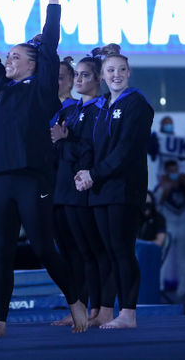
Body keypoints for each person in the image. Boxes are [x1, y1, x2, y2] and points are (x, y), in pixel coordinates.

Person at [0, 0, 88, 337]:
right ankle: (0, 320)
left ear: (33, 65)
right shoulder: (3, 88)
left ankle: (75, 300)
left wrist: (52, 2)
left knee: (43, 248)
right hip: (0, 177)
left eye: (16, 57)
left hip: (33, 178)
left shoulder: (43, 89)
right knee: (2, 252)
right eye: (9, 56)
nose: (8, 60)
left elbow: (49, 45)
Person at [75, 44, 154, 329]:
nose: (116, 74)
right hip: (99, 188)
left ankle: (128, 314)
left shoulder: (137, 103)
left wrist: (93, 174)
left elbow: (126, 150)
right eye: (110, 70)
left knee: (122, 249)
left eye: (122, 69)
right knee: (108, 251)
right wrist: (85, 172)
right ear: (103, 75)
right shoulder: (102, 106)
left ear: (129, 72)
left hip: (124, 188)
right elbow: (90, 144)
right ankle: (109, 312)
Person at [51, 53, 117, 328]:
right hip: (66, 188)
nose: (78, 80)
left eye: (84, 75)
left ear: (99, 78)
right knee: (82, 254)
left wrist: (64, 142)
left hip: (86, 188)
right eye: (76, 75)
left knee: (98, 252)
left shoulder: (101, 110)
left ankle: (104, 310)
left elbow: (90, 151)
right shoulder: (72, 110)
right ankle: (88, 309)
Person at [157, 160, 185, 298]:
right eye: (171, 171)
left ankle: (183, 289)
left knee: (184, 259)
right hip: (168, 225)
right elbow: (156, 202)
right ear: (166, 172)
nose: (174, 174)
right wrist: (166, 187)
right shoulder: (163, 185)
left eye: (176, 170)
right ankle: (158, 288)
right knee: (161, 258)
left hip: (183, 224)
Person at [50, 56, 77, 127]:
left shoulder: (77, 108)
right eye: (51, 78)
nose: (54, 82)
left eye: (59, 78)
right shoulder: (45, 107)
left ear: (71, 81)